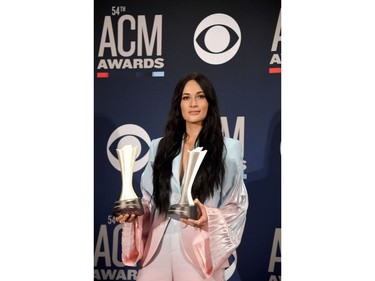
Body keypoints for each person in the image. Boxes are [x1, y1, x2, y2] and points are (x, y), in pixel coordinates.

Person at [116, 72, 249, 281]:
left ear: (209, 102)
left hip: (200, 249)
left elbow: (235, 204)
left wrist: (209, 216)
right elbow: (149, 201)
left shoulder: (228, 149)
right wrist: (135, 213)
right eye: (186, 97)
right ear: (179, 104)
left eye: (200, 96)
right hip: (157, 247)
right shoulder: (158, 147)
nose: (193, 103)